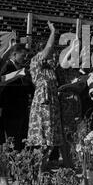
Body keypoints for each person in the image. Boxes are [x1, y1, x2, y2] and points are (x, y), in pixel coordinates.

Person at [27, 22, 63, 166]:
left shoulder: (51, 69)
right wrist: (53, 32)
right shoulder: (35, 62)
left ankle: (44, 165)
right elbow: (48, 49)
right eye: (51, 54)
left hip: (52, 107)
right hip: (42, 107)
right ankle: (37, 168)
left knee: (50, 140)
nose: (52, 56)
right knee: (40, 140)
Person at [0, 44, 33, 151]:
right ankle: (11, 159)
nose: (25, 58)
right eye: (22, 56)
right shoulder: (6, 66)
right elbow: (1, 82)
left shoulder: (23, 68)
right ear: (14, 54)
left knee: (21, 136)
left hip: (21, 107)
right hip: (11, 108)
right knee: (11, 136)